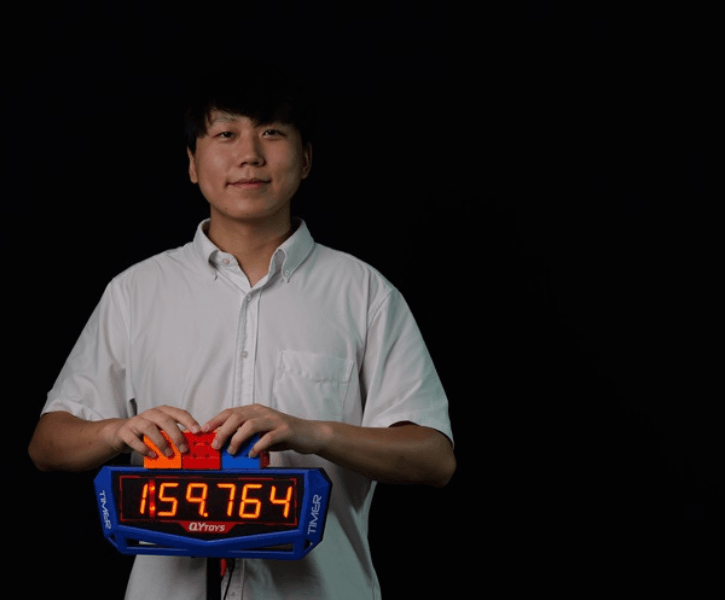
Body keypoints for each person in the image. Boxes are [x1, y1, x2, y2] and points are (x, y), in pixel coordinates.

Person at [28, 60, 456, 600]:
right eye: (226, 133)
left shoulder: (365, 293)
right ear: (192, 162)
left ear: (304, 159)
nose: (249, 154)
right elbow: (47, 444)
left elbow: (434, 457)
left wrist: (312, 431)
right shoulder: (135, 292)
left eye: (272, 133)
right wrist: (119, 430)